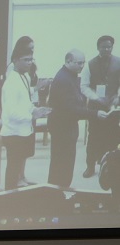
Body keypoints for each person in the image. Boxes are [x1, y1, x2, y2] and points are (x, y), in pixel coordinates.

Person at [0, 51, 47, 190]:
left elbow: (25, 101)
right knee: (13, 170)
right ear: (15, 60)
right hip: (14, 133)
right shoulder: (11, 82)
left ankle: (15, 193)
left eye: (31, 59)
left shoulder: (23, 77)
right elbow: (11, 113)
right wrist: (32, 116)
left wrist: (34, 110)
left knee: (16, 167)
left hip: (23, 130)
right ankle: (9, 198)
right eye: (26, 59)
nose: (30, 62)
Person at [47, 49, 93, 190]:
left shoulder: (71, 75)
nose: (82, 66)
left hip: (67, 126)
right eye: (79, 63)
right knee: (61, 164)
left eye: (83, 63)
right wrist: (95, 114)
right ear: (68, 61)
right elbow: (71, 108)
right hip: (62, 128)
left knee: (65, 163)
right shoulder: (63, 79)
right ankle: (57, 192)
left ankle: (61, 189)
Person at [84, 36, 119, 178]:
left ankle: (112, 168)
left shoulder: (119, 62)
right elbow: (84, 86)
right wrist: (96, 98)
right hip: (96, 108)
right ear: (98, 47)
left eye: (109, 46)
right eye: (104, 46)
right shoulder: (89, 64)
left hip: (113, 107)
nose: (107, 49)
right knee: (94, 137)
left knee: (113, 138)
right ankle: (90, 166)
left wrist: (118, 96)